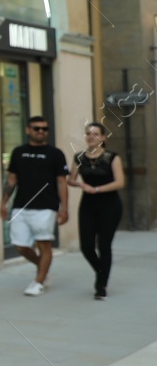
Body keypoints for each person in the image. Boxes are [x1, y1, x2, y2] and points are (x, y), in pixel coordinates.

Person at [1, 116, 70, 296]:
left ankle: (38, 281)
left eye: (44, 129)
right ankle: (43, 268)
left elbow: (62, 182)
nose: (41, 132)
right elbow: (11, 180)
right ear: (28, 130)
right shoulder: (18, 152)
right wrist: (3, 203)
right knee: (20, 245)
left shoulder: (55, 153)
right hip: (21, 206)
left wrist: (64, 208)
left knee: (43, 244)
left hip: (46, 207)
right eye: (37, 128)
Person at [68, 122, 125, 299]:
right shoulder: (79, 157)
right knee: (86, 246)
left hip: (110, 206)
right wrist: (79, 183)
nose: (91, 137)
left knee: (104, 245)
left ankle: (101, 286)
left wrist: (98, 189)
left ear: (102, 137)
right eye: (88, 134)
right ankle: (102, 272)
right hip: (87, 206)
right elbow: (70, 179)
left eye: (95, 134)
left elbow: (120, 182)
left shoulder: (112, 157)